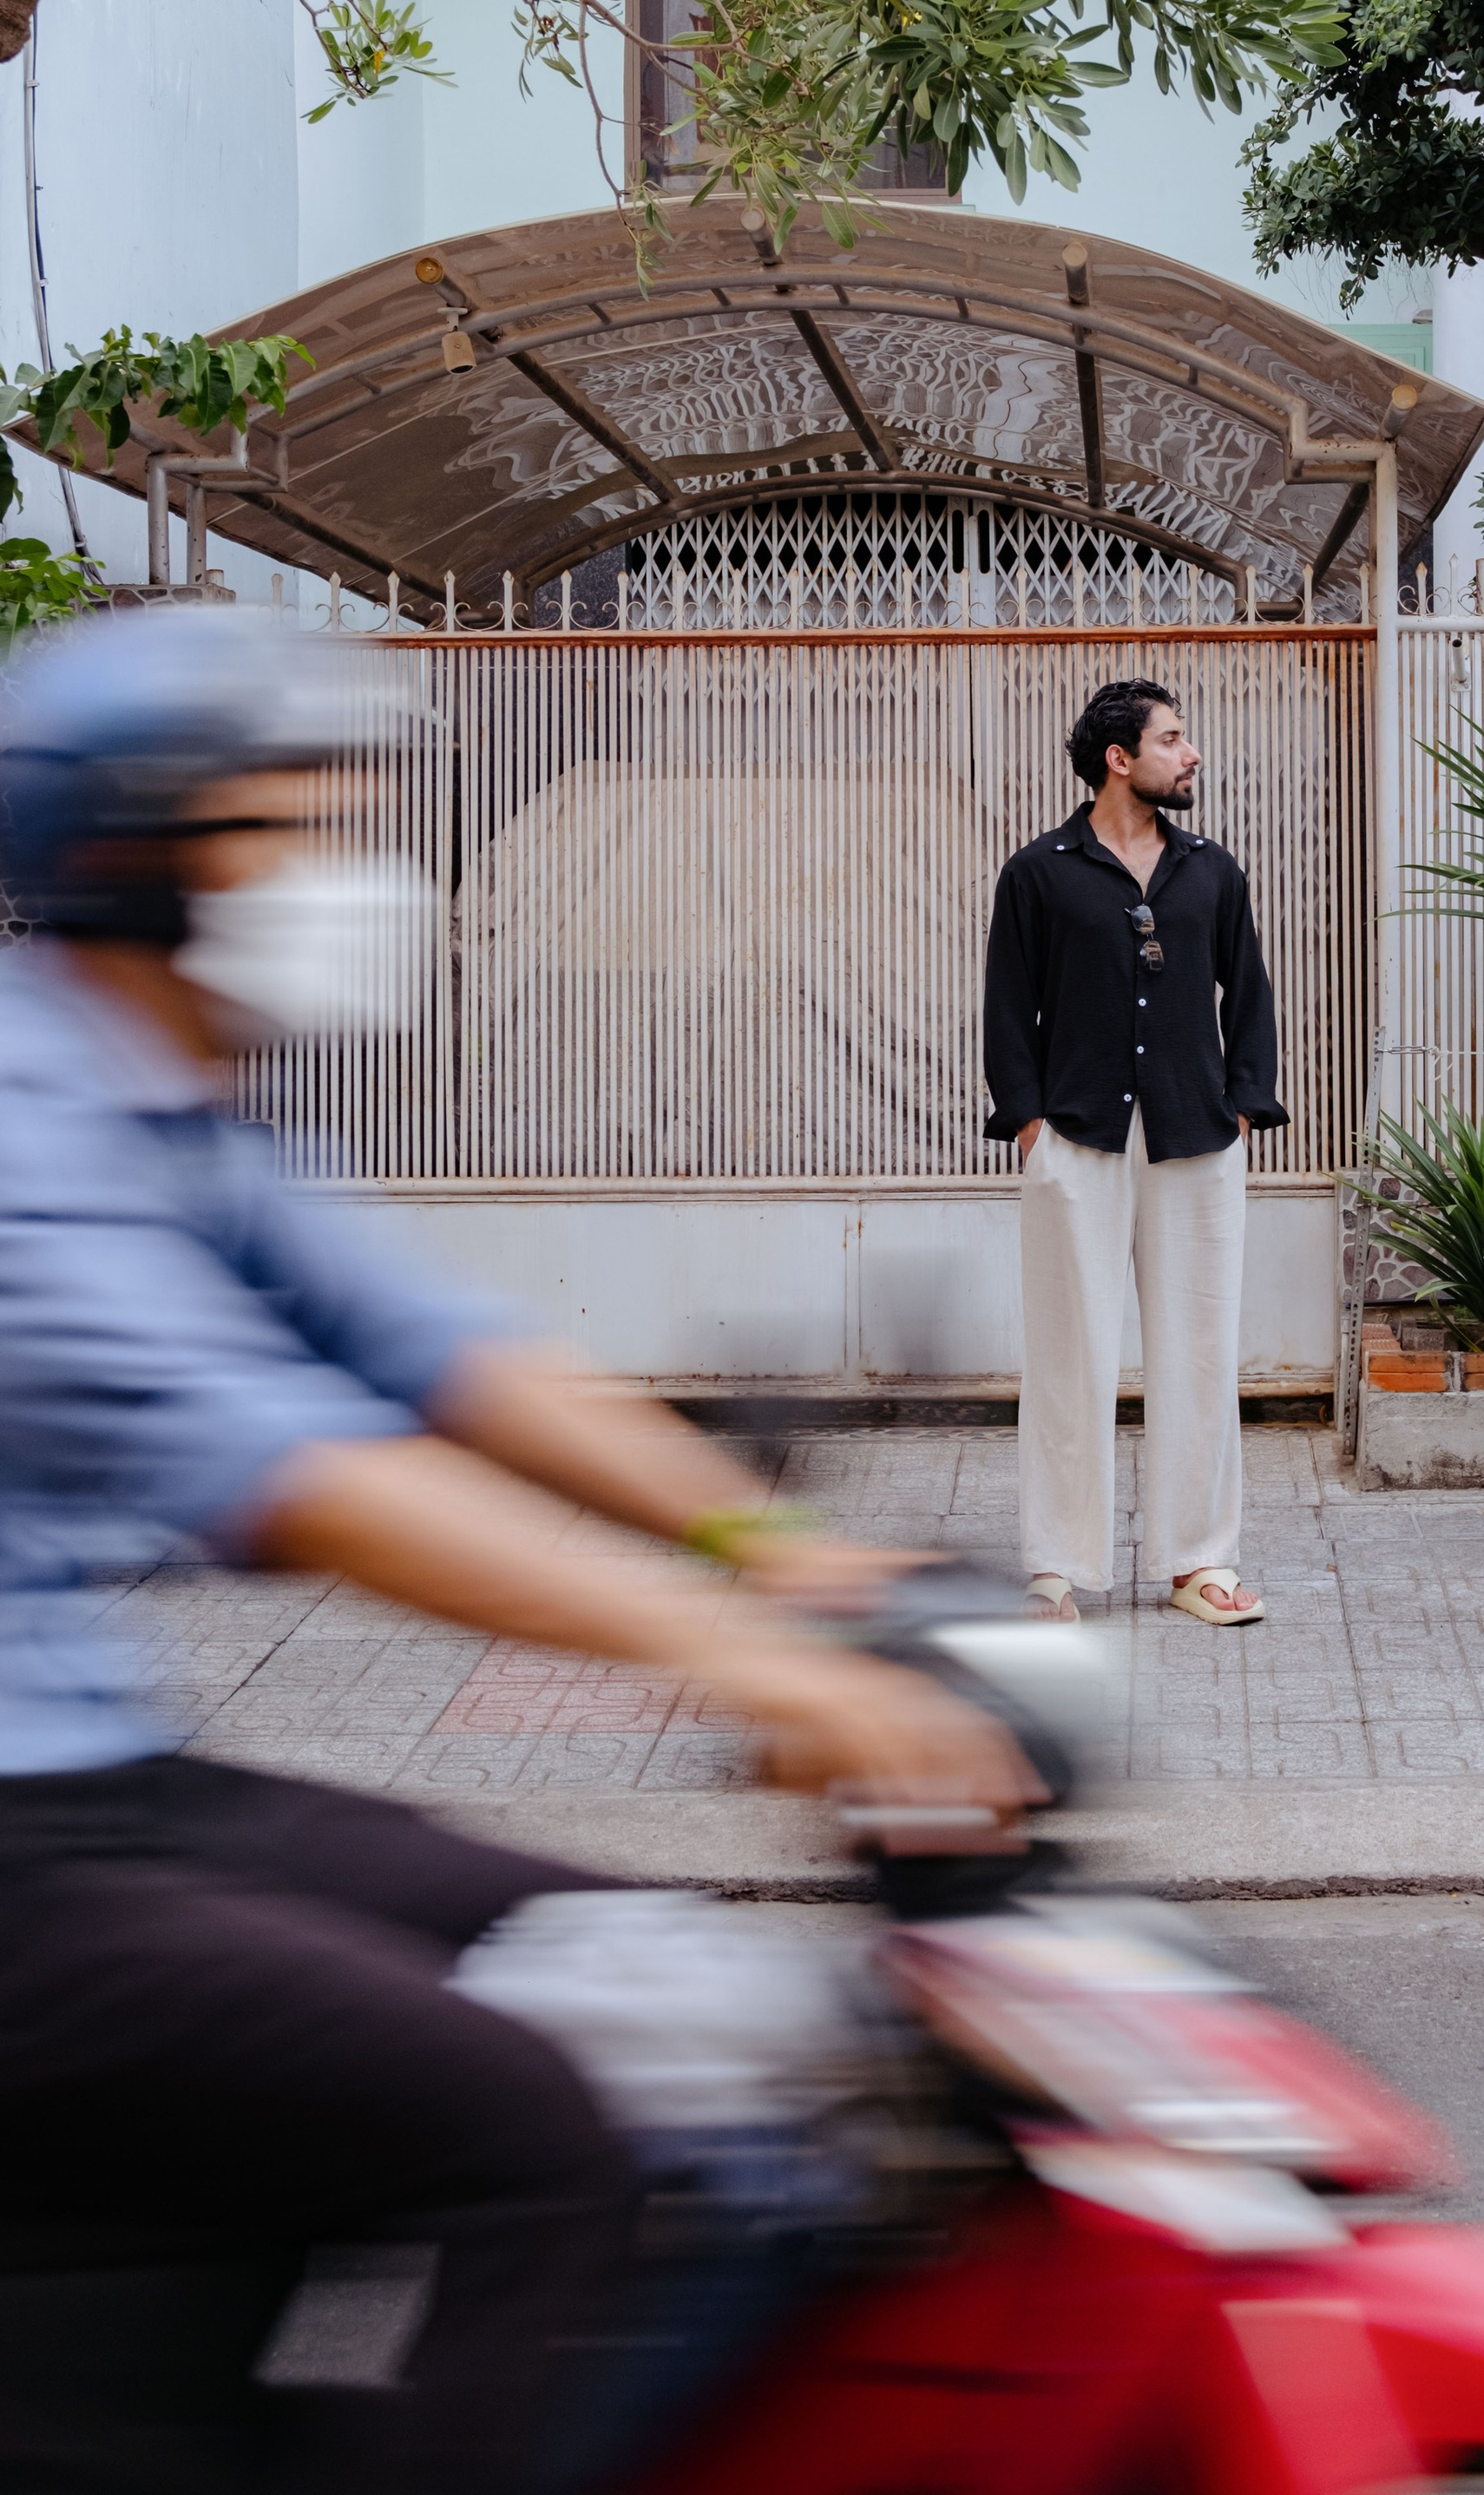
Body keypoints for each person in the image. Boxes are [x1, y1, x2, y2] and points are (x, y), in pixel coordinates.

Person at [0, 609, 1034, 2495]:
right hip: (22, 1856)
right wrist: (742, 1660)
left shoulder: (189, 1119)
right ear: (136, 859)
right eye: (290, 821)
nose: (350, 866)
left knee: (639, 1976)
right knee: (531, 2127)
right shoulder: (24, 1122)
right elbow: (305, 1475)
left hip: (97, 1787)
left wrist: (775, 1548)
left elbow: (454, 1356)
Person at [982, 678, 1286, 1627]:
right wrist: (1026, 1117)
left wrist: (1245, 1104)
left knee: (1197, 1348)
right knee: (1068, 1350)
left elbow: (1250, 995)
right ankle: (1057, 1567)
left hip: (1196, 1136)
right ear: (1120, 757)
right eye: (1173, 738)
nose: (1190, 754)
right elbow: (1006, 1005)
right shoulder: (1040, 871)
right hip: (1076, 1134)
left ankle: (1199, 1559)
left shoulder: (1211, 870)